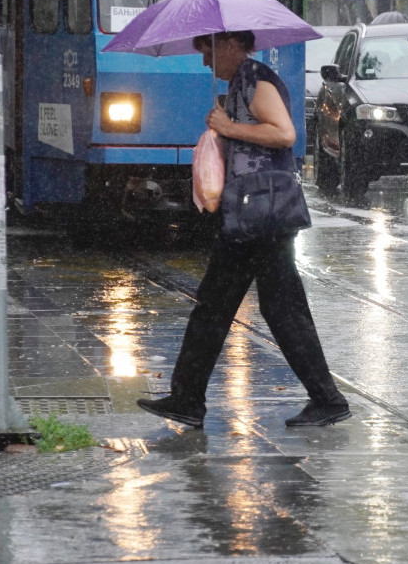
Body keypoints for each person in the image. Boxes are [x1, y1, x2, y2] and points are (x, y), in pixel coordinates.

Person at [137, 30, 350, 429]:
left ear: (231, 45)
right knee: (230, 305)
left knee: (242, 307)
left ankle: (325, 399)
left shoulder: (256, 78)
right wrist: (225, 122)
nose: (204, 62)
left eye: (208, 51)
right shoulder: (240, 82)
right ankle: (189, 398)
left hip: (262, 214)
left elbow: (283, 133)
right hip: (251, 213)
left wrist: (231, 127)